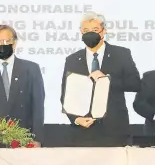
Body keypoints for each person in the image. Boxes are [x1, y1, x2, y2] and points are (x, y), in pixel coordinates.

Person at [60, 12, 141, 147]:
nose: (90, 34)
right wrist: (76, 119)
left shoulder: (121, 54)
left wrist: (107, 79)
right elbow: (66, 95)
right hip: (83, 131)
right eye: (86, 30)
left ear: (104, 32)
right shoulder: (72, 59)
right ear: (80, 32)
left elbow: (135, 84)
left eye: (95, 30)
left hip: (115, 130)